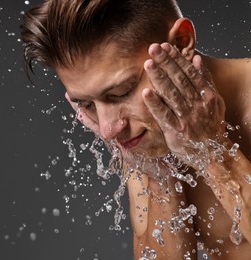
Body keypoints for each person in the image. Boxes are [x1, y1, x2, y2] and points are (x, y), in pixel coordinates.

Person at [20, 0, 251, 259]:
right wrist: (161, 175)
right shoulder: (149, 134)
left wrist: (212, 152)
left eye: (121, 92)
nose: (108, 129)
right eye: (87, 104)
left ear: (182, 41)